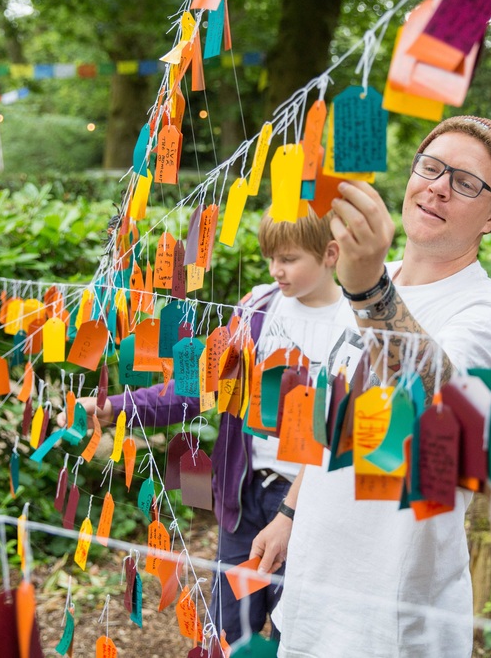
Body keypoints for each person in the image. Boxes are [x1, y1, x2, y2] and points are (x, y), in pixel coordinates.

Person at [253, 116, 491, 658]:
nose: (439, 186)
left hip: (390, 622)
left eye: (466, 182)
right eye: (431, 167)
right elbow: (329, 417)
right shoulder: (377, 276)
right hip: (310, 597)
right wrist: (289, 513)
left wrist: (367, 290)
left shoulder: (487, 310)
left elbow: (439, 412)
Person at [78, 209, 355, 644]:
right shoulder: (257, 309)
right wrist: (114, 407)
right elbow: (199, 385)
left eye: (288, 259)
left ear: (330, 254)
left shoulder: (353, 325)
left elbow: (343, 432)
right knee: (229, 629)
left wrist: (293, 512)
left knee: (297, 633)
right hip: (242, 497)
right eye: (269, 257)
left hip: (307, 503)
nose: (275, 270)